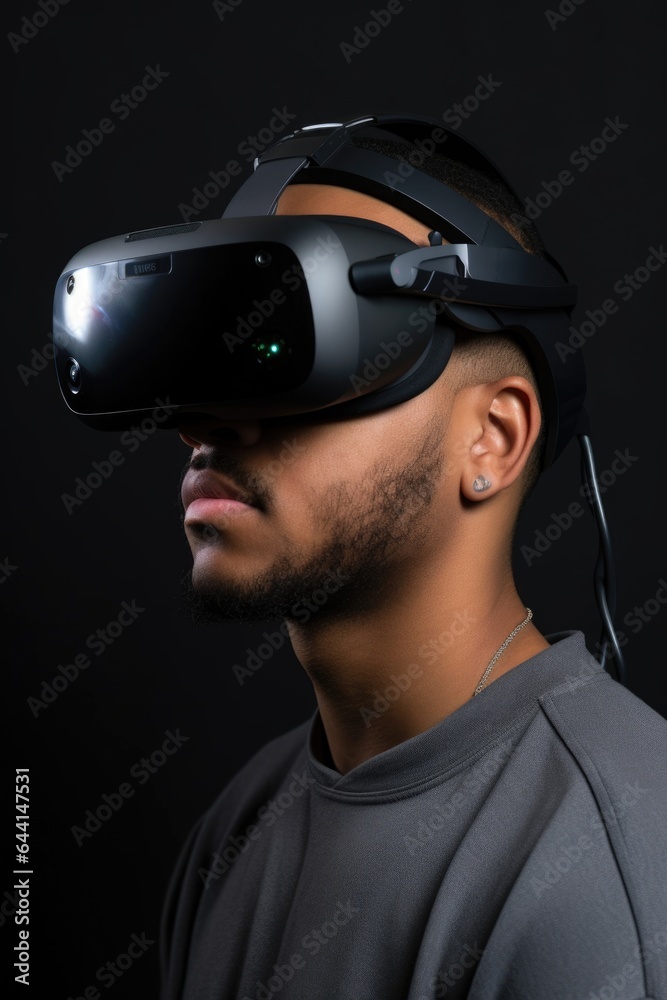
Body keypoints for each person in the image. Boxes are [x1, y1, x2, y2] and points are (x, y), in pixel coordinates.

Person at [159, 125, 667, 999]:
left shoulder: (604, 870)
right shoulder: (234, 832)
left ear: (492, 439)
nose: (206, 422)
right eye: (217, 354)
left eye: (298, 343)